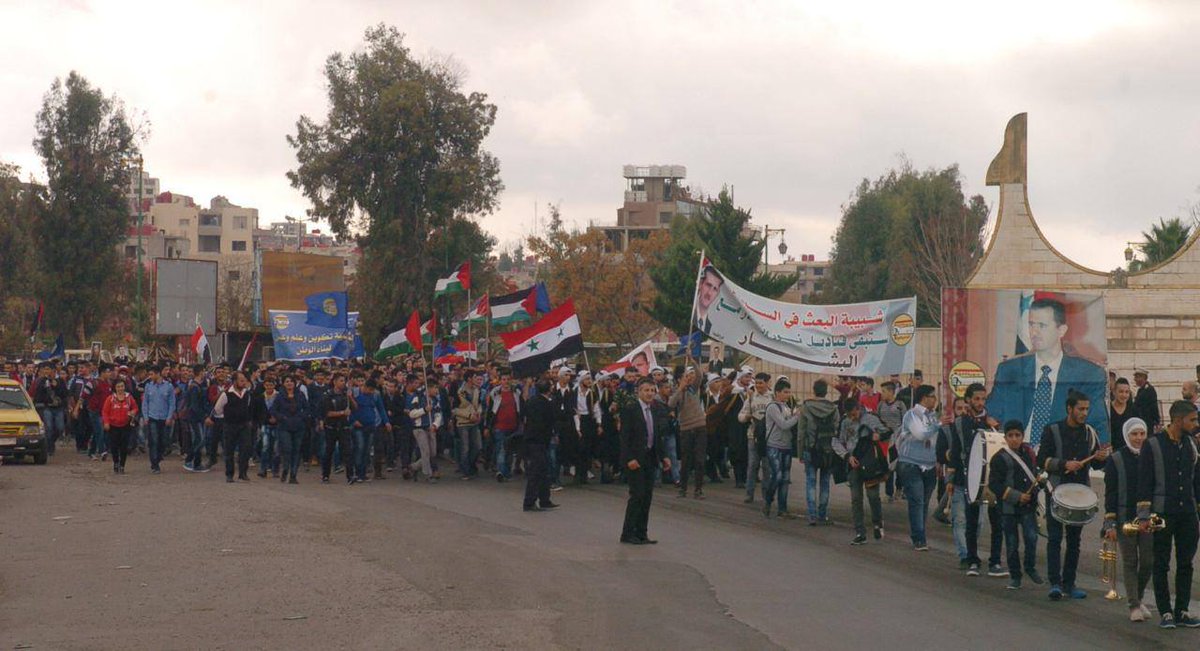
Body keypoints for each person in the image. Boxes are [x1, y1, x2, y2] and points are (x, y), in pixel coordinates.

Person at [987, 297, 1109, 446]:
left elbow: (1097, 425)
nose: (1034, 332)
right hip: (1018, 452)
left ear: (1061, 330)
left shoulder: (1088, 374)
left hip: (1063, 454)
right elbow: (991, 416)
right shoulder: (1009, 370)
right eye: (1031, 324)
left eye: (1042, 325)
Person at [1036, 389, 1110, 600]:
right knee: (1055, 538)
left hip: (1080, 493)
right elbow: (1042, 460)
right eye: (1080, 409)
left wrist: (1102, 457)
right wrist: (1064, 464)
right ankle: (1055, 583)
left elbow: (1095, 462)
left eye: (1086, 409)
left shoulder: (1089, 432)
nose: (1084, 413)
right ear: (1069, 408)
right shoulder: (1052, 430)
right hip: (1057, 491)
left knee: (1075, 541)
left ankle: (1070, 583)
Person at [1135, 400, 1200, 629]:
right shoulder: (1152, 445)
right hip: (1162, 513)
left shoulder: (1191, 444)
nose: (1195, 424)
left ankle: (1182, 610)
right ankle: (1165, 611)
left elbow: (1196, 480)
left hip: (1187, 513)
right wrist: (1143, 516)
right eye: (1192, 420)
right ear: (1177, 419)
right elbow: (1144, 483)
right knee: (1161, 563)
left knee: (1186, 563)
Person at [946, 383, 1005, 577]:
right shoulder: (960, 423)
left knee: (997, 522)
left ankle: (995, 561)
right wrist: (951, 479)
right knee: (971, 521)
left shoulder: (992, 422)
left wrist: (994, 427)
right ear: (969, 399)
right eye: (977, 399)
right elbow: (955, 452)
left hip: (993, 478)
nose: (980, 402)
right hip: (968, 478)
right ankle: (972, 559)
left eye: (983, 399)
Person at [1104, 417, 1154, 621]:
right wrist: (1110, 523)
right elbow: (1111, 493)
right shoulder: (1116, 459)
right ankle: (1134, 605)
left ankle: (1138, 597)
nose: (1139, 438)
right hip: (1125, 517)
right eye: (1134, 434)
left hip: (1148, 518)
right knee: (1130, 561)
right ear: (1127, 435)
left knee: (1148, 561)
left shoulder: (1151, 456)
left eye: (1142, 433)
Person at [987, 419, 1045, 590]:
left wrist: (1038, 485)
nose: (1014, 439)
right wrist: (1017, 496)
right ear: (1005, 437)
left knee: (1031, 538)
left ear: (1022, 436)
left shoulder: (1029, 455)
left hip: (1028, 507)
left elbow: (1033, 476)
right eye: (1010, 435)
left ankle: (1030, 567)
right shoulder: (999, 458)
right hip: (1008, 508)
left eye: (1017, 435)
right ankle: (1015, 575)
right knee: (1012, 543)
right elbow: (995, 484)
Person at [619, 377, 670, 544]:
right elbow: (625, 437)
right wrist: (629, 458)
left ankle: (642, 532)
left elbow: (657, 436)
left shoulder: (654, 409)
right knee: (637, 495)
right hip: (635, 459)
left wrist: (664, 457)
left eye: (652, 390)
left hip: (650, 457)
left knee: (647, 496)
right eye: (646, 390)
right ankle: (628, 533)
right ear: (639, 392)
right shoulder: (630, 409)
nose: (649, 393)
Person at [835, 398, 888, 545]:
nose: (852, 417)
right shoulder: (845, 422)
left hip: (870, 463)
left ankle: (877, 522)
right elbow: (838, 441)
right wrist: (847, 456)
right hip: (854, 463)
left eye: (854, 414)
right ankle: (860, 531)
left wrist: (879, 436)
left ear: (859, 409)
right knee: (856, 498)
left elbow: (887, 431)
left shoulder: (871, 419)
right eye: (849, 415)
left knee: (873, 496)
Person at [895, 385, 939, 551]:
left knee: (925, 502)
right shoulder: (912, 414)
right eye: (932, 396)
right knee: (917, 501)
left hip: (929, 464)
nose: (935, 400)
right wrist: (938, 425)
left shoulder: (933, 416)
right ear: (924, 398)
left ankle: (921, 534)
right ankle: (918, 538)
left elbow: (936, 440)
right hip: (910, 463)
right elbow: (921, 434)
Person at [798, 378, 839, 525]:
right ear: (826, 392)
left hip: (811, 448)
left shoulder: (806, 407)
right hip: (827, 450)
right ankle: (822, 514)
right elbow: (836, 430)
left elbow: (801, 432)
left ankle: (812, 515)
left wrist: (800, 452)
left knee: (810, 482)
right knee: (825, 482)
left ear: (814, 390)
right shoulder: (833, 408)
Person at [207, 371, 256, 483]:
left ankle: (243, 473)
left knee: (245, 449)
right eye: (241, 380)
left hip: (244, 425)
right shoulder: (226, 394)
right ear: (235, 381)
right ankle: (229, 474)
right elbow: (218, 409)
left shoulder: (247, 394)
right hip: (230, 425)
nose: (244, 383)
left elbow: (249, 407)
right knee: (229, 450)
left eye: (245, 380)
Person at [762, 377, 800, 519]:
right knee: (777, 475)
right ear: (777, 392)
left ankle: (782, 509)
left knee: (785, 478)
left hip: (786, 446)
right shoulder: (773, 407)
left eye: (789, 392)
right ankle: (768, 499)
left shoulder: (787, 407)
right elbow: (783, 425)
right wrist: (796, 417)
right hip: (774, 446)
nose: (787, 394)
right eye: (785, 392)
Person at [522, 378, 559, 512]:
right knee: (536, 472)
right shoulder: (545, 404)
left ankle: (544, 499)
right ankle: (529, 502)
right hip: (539, 441)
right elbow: (550, 421)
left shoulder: (532, 401)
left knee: (544, 471)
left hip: (534, 440)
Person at [670, 367, 707, 499]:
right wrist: (681, 388)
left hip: (700, 427)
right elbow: (671, 403)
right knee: (686, 460)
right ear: (679, 380)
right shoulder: (677, 392)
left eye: (689, 376)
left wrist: (692, 359)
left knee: (700, 460)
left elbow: (699, 374)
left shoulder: (694, 389)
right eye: (685, 376)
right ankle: (683, 488)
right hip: (686, 429)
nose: (689, 378)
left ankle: (698, 489)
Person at [738, 372, 773, 505]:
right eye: (756, 383)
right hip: (753, 435)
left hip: (768, 437)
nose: (758, 386)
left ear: (767, 383)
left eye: (761, 383)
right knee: (752, 465)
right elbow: (740, 415)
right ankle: (749, 493)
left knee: (767, 467)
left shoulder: (773, 398)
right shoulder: (751, 398)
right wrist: (746, 417)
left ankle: (766, 495)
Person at [486, 369, 521, 482]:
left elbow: (521, 406)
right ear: (500, 380)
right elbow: (490, 410)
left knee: (510, 451)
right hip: (499, 427)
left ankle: (507, 472)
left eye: (508, 379)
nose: (506, 382)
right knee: (501, 449)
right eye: (504, 379)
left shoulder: (516, 392)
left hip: (513, 426)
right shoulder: (495, 393)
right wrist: (487, 426)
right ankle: (500, 471)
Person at [272, 376, 308, 484]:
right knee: (287, 449)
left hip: (298, 426)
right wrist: (281, 417)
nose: (289, 383)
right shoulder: (279, 396)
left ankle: (293, 474)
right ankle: (286, 469)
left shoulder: (300, 395)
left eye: (291, 381)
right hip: (284, 426)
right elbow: (273, 410)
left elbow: (307, 408)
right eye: (287, 381)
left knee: (296, 450)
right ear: (283, 384)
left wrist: (301, 417)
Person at [405, 379, 440, 483]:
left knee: (432, 453)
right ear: (429, 388)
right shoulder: (417, 398)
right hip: (419, 428)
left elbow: (438, 414)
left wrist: (435, 424)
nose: (436, 390)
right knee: (425, 452)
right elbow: (412, 413)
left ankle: (413, 467)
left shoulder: (435, 400)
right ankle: (427, 474)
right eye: (435, 388)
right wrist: (424, 410)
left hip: (430, 428)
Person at [101, 378, 138, 474]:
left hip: (126, 425)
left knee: (124, 447)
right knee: (114, 446)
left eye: (122, 386)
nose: (120, 388)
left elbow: (135, 407)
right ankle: (116, 462)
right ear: (115, 388)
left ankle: (122, 465)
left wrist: (132, 412)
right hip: (113, 426)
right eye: (118, 387)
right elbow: (105, 411)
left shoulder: (129, 397)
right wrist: (106, 422)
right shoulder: (110, 398)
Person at [694, 265, 724, 334]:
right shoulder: (692, 315)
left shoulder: (710, 326)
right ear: (701, 284)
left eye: (715, 289)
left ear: (717, 293)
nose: (709, 293)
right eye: (708, 285)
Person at [1110, 377, 1135, 453]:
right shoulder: (1107, 409)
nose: (1124, 395)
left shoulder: (1134, 410)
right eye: (1121, 392)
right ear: (1114, 392)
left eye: (1127, 392)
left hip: (1129, 451)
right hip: (1112, 452)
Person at [1132, 368, 1161, 433]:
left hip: (1147, 422)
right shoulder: (1141, 390)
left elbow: (1154, 406)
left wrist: (1157, 421)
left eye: (1137, 377)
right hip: (1141, 421)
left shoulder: (1149, 390)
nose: (1135, 379)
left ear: (1143, 377)